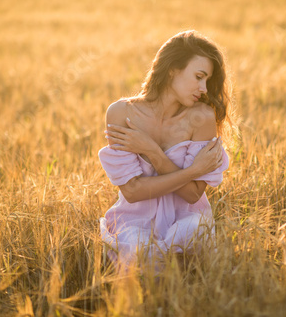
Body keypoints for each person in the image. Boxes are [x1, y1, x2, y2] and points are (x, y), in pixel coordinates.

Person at [98, 30, 232, 268]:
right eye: (199, 77)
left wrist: (152, 151)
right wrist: (191, 172)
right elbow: (133, 191)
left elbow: (193, 195)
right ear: (172, 69)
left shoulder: (202, 117)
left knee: (190, 235)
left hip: (186, 220)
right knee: (139, 253)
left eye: (207, 81)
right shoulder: (121, 113)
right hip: (134, 222)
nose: (204, 89)